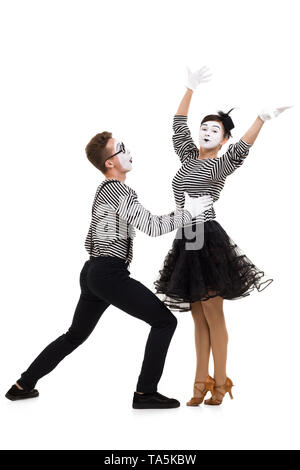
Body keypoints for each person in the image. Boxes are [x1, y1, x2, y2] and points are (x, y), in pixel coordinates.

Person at [5, 131, 212, 409]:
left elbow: (90, 239)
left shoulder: (103, 191)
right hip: (108, 274)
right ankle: (145, 394)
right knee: (165, 322)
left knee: (75, 335)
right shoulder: (119, 190)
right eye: (121, 149)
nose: (128, 152)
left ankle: (23, 385)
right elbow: (151, 226)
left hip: (93, 272)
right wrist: (190, 211)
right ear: (110, 163)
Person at [154, 65, 291, 406]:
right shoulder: (187, 157)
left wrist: (260, 118)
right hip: (186, 239)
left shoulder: (219, 164)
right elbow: (176, 127)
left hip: (207, 238)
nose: (206, 132)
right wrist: (189, 87)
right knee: (197, 317)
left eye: (214, 130)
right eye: (204, 127)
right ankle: (200, 382)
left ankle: (221, 381)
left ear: (223, 138)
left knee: (214, 314)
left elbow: (242, 150)